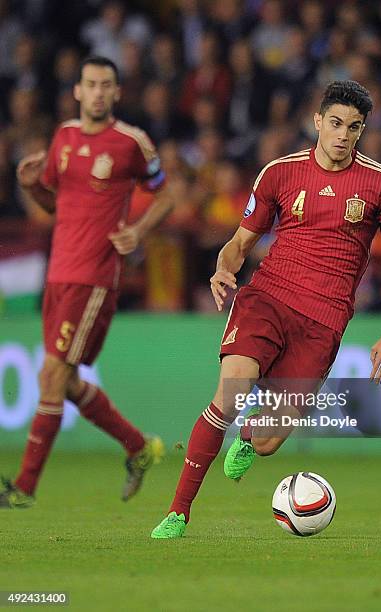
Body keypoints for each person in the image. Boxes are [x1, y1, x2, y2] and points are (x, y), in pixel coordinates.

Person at [151, 80, 381, 539]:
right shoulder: (279, 173)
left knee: (269, 440)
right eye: (335, 123)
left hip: (324, 322)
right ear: (317, 122)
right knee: (229, 394)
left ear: (362, 130)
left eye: (354, 127)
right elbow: (240, 242)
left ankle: (249, 439)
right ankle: (178, 512)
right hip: (269, 298)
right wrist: (223, 269)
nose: (343, 135)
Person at [0, 56, 173, 509]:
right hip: (59, 272)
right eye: (90, 84)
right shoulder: (64, 137)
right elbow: (53, 203)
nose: (97, 92)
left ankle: (24, 488)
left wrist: (138, 231)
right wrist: (30, 186)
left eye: (106, 85)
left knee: (52, 374)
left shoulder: (131, 143)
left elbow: (166, 195)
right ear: (77, 91)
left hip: (95, 277)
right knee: (67, 381)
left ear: (117, 93)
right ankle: (139, 448)